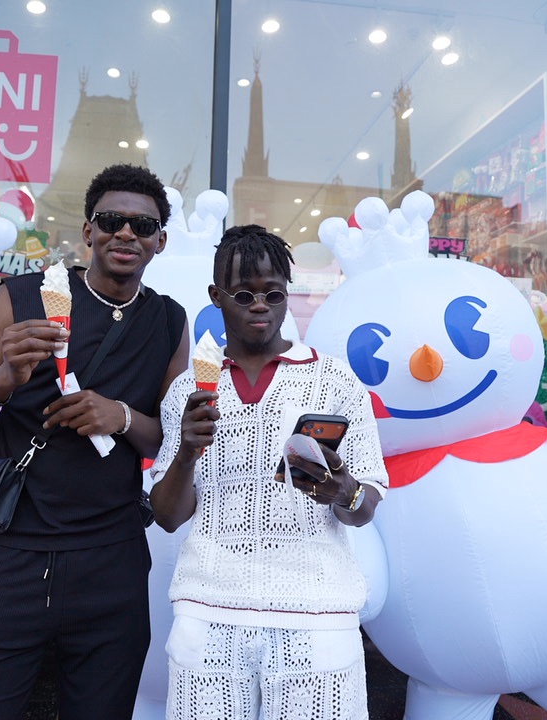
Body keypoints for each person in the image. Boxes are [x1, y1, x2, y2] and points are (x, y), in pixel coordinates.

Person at [0, 164, 189, 719]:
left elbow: (171, 438)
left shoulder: (169, 321)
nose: (127, 233)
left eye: (142, 226)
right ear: (88, 231)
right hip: (7, 553)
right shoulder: (22, 298)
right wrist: (3, 379)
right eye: (113, 221)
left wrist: (120, 416)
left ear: (160, 242)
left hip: (111, 558)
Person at [149, 224, 387, 720]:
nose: (260, 304)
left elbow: (364, 508)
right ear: (216, 297)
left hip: (317, 614)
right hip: (208, 610)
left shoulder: (335, 378)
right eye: (243, 293)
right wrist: (188, 450)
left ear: (287, 296)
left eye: (273, 293)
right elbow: (168, 516)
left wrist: (344, 490)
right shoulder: (188, 390)